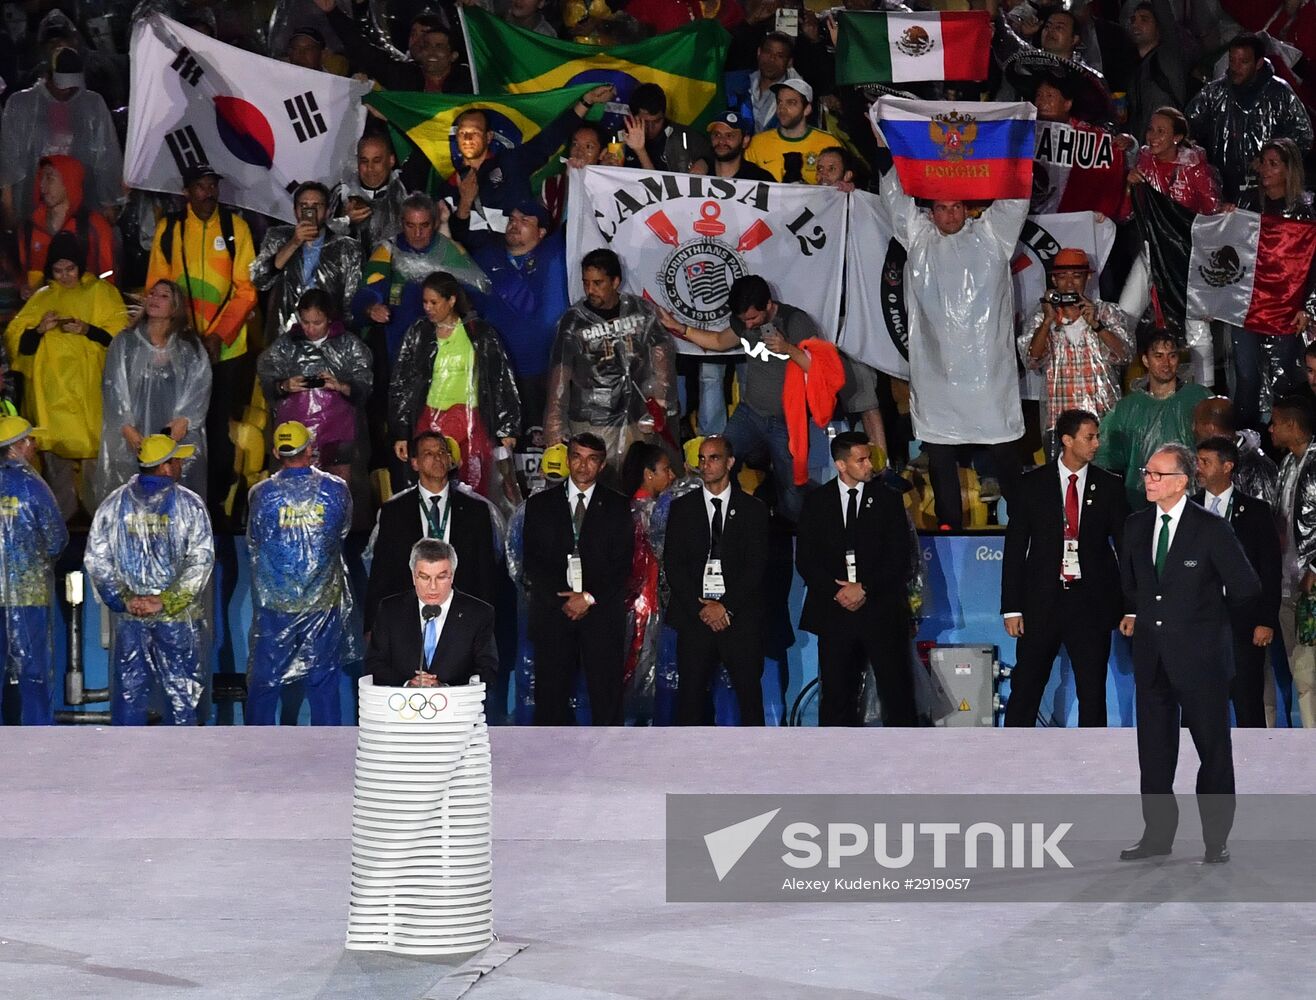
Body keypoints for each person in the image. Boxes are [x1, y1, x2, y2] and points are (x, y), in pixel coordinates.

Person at [875, 129, 1029, 529]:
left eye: (957, 208)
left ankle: (1028, 527)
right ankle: (948, 533)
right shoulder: (920, 239)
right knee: (941, 458)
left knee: (1006, 458)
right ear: (931, 212)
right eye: (941, 209)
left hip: (988, 375)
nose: (950, 215)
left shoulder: (993, 235)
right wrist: (885, 147)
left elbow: (1014, 198)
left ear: (967, 208)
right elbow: (895, 199)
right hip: (938, 376)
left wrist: (1015, 142)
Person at [1117, 443, 1261, 863]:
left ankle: (1216, 840)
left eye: (1157, 474)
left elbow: (1245, 587)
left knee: (1213, 752)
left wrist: (1206, 623)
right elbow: (1132, 583)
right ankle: (1157, 836)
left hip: (1202, 663)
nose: (1148, 479)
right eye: (1147, 472)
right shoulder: (1135, 526)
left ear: (1180, 482)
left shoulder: (1212, 529)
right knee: (1155, 755)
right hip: (1152, 658)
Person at [1001, 409, 1130, 727]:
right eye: (1090, 437)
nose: (1097, 443)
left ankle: (1093, 762)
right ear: (1067, 440)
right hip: (1041, 602)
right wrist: (1011, 608)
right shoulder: (1031, 485)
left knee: (1092, 691)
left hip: (1091, 603)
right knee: (1027, 685)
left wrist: (1131, 606)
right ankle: (1010, 756)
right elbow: (1015, 549)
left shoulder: (1110, 486)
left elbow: (1127, 549)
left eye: (1097, 436)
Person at [145, 163, 258, 519]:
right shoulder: (170, 230)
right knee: (178, 426)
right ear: (186, 192)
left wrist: (217, 336)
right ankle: (176, 499)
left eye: (213, 185)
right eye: (201, 187)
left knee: (218, 428)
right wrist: (173, 341)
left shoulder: (235, 228)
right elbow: (158, 291)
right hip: (180, 351)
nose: (209, 193)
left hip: (227, 351)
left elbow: (247, 290)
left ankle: (216, 506)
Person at [660, 275, 819, 523]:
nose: (749, 324)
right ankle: (728, 522)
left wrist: (788, 348)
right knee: (718, 462)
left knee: (792, 489)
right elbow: (718, 342)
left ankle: (793, 540)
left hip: (786, 421)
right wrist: (680, 328)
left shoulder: (795, 321)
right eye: (743, 320)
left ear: (768, 305)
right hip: (750, 413)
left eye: (753, 318)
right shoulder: (744, 322)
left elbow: (820, 369)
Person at [84, 434, 215, 726]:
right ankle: (185, 763)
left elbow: (97, 558)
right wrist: (165, 602)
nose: (181, 464)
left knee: (130, 694)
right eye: (176, 459)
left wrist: (124, 600)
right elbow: (201, 560)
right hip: (178, 619)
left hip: (131, 618)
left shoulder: (114, 503)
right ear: (165, 467)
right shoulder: (189, 504)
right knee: (183, 694)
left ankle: (127, 765)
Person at [4, 231, 129, 520]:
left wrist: (88, 330)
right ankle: (60, 523)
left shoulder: (101, 293)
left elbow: (121, 338)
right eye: (58, 270)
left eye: (70, 269)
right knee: (56, 464)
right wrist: (38, 330)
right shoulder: (42, 298)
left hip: (90, 395)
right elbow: (15, 341)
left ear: (80, 266)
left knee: (94, 462)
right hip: (52, 398)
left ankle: (102, 520)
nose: (64, 276)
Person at [796, 432, 916, 726]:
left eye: (868, 458)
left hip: (880, 609)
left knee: (897, 693)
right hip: (835, 612)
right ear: (840, 464)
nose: (868, 466)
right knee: (836, 695)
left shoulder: (888, 500)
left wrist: (865, 588)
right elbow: (807, 560)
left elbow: (900, 557)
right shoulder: (816, 502)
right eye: (860, 460)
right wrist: (839, 592)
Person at [246, 421, 357, 725]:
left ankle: (252, 747)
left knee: (266, 681)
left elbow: (255, 539)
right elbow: (341, 532)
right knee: (323, 681)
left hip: (276, 603)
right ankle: (328, 748)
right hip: (322, 601)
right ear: (310, 449)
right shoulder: (335, 490)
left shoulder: (262, 494)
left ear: (275, 452)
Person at [522, 432, 635, 724]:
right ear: (568, 459)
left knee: (606, 697)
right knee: (550, 698)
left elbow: (623, 564)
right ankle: (550, 765)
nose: (583, 466)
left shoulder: (619, 506)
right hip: (553, 613)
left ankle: (609, 763)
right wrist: (563, 599)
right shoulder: (540, 504)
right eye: (577, 457)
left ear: (602, 465)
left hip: (601, 615)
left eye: (592, 459)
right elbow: (533, 561)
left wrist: (587, 598)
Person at [544, 249, 678, 477]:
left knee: (633, 480)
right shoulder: (574, 320)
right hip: (591, 419)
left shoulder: (641, 311)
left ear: (615, 281)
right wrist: (555, 424)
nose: (590, 290)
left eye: (598, 283)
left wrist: (660, 401)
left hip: (636, 415)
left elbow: (661, 357)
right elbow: (560, 374)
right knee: (596, 482)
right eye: (586, 283)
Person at [389, 271, 521, 501]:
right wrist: (401, 432)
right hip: (430, 420)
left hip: (472, 422)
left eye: (434, 302)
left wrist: (507, 427)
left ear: (451, 301)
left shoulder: (479, 332)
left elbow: (500, 378)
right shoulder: (418, 333)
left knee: (475, 484)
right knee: (431, 484)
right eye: (424, 302)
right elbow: (402, 383)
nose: (428, 308)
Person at [664, 436, 768, 725]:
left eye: (714, 458)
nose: (706, 465)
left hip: (739, 618)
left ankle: (756, 762)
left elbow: (756, 567)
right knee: (692, 697)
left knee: (749, 695)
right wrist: (703, 609)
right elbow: (674, 564)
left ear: (730, 462)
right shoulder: (683, 508)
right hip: (696, 617)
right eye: (702, 459)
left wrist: (725, 607)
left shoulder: (753, 510)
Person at [449, 194, 568, 435]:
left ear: (542, 232)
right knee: (507, 447)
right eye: (512, 218)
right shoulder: (486, 258)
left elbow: (579, 218)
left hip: (550, 374)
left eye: (525, 219)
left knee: (548, 447)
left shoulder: (557, 255)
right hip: (500, 375)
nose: (515, 223)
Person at [1120, 106, 1221, 386]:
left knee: (1197, 326)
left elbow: (1211, 216)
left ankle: (1205, 395)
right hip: (1151, 253)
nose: (1152, 136)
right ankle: (1115, 385)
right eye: (1150, 129)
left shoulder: (1196, 169)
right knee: (1124, 316)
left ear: (1177, 138)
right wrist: (1129, 187)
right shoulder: (1142, 162)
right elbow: (1125, 214)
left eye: (1161, 131)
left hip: (1187, 259)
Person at [366, 431, 499, 632]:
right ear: (415, 463)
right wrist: (371, 627)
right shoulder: (394, 512)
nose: (437, 458)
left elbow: (486, 575)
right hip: (409, 621)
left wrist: (488, 628)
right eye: (428, 453)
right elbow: (381, 574)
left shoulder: (476, 511)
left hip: (462, 621)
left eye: (442, 452)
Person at [1229, 138, 1316, 431]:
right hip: (1248, 304)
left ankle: (1287, 439)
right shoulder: (1248, 204)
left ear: (1289, 169)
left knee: (1285, 375)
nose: (1264, 169)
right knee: (1246, 375)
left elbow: (1313, 265)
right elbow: (1231, 252)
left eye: (1273, 164)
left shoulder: (1307, 210)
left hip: (1288, 306)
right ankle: (1246, 441)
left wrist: (1308, 306)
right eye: (1262, 162)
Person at [97, 280, 212, 502]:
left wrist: (184, 421)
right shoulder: (124, 343)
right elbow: (113, 388)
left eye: (164, 296)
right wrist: (127, 428)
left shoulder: (190, 348)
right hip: (133, 438)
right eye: (152, 293)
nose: (155, 298)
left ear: (175, 306)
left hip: (176, 436)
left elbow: (200, 387)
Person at [440, 85, 615, 231]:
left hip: (524, 257)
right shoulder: (449, 186)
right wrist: (465, 203)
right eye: (463, 133)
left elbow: (550, 139)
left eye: (475, 133)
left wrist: (586, 101)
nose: (468, 139)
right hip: (478, 264)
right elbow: (448, 239)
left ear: (489, 136)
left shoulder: (512, 162)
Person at [1194, 435, 1280, 729]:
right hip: (1198, 623)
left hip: (1243, 624)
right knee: (1197, 704)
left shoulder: (1255, 512)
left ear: (1227, 466)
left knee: (1247, 702)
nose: (1199, 468)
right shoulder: (1187, 510)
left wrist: (1266, 620)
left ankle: (1254, 769)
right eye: (1197, 461)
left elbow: (1270, 571)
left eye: (1206, 462)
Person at [352, 192, 488, 365]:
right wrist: (371, 308)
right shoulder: (388, 251)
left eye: (424, 225)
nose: (417, 233)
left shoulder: (450, 251)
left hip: (444, 352)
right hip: (398, 349)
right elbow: (364, 294)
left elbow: (477, 296)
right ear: (402, 223)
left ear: (435, 223)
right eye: (410, 225)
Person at [256, 288, 373, 486]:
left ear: (329, 318)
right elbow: (267, 381)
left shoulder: (349, 345)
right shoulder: (285, 345)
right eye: (305, 322)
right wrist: (284, 385)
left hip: (339, 438)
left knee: (339, 490)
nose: (310, 329)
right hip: (295, 438)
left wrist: (340, 385)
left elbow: (364, 387)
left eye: (316, 323)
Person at [1018, 247, 1132, 447]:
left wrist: (1097, 325)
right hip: (1061, 423)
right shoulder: (1042, 317)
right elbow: (1031, 360)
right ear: (1054, 281)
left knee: (1104, 477)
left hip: (1103, 420)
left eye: (1076, 276)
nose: (1069, 283)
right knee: (1061, 478)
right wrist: (1047, 322)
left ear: (1087, 278)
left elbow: (1124, 355)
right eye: (1062, 277)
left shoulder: (1106, 312)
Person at [0, 46, 123, 228]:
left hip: (82, 205)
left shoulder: (92, 104)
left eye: (72, 87)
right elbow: (9, 160)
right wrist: (9, 207)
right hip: (32, 206)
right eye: (61, 86)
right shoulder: (21, 105)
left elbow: (106, 157)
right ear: (48, 76)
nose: (66, 92)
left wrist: (110, 203)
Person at [1186, 32, 1313, 201]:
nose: (1236, 67)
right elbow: (1187, 127)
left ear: (1259, 63)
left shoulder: (1280, 93)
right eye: (1232, 60)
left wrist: (1269, 160)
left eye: (1243, 62)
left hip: (1267, 193)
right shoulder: (1213, 93)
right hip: (1220, 190)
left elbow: (1303, 135)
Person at [0, 416, 69, 725]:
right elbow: (56, 539)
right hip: (28, 595)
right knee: (33, 672)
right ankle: (39, 739)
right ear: (15, 447)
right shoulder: (32, 485)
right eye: (30, 440)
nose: (34, 445)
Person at [1095, 330, 1212, 508]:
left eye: (1171, 356)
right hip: (1141, 503)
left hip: (1190, 502)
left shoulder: (1198, 398)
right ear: (1145, 360)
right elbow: (1108, 456)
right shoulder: (1127, 407)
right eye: (1158, 356)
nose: (1166, 363)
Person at [365, 538, 499, 690]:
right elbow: (374, 664)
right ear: (413, 576)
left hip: (457, 709)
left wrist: (444, 688)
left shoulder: (478, 613)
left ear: (452, 575)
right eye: (424, 577)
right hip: (401, 708)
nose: (433, 587)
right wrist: (408, 684)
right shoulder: (390, 609)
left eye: (441, 577)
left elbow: (487, 671)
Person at [250, 181, 361, 342]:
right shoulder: (278, 237)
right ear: (295, 211)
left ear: (327, 211)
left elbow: (351, 303)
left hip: (328, 339)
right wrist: (294, 242)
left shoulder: (347, 248)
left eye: (317, 205)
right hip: (284, 338)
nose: (310, 211)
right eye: (304, 205)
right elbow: (260, 280)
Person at [620, 440, 681, 723]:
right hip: (650, 603)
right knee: (645, 671)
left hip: (637, 603)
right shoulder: (654, 511)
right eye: (666, 470)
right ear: (648, 473)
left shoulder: (625, 508)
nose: (672, 477)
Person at [1269, 395, 1316, 727]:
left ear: (1291, 425)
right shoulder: (1286, 463)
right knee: (1301, 675)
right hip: (1286, 585)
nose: (1270, 428)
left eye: (1275, 422)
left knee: (1310, 674)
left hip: (1310, 586)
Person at [18, 155, 115, 294]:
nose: (42, 186)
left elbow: (108, 277)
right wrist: (23, 288)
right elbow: (22, 274)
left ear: (69, 180)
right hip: (41, 310)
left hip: (83, 310)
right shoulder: (28, 228)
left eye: (49, 178)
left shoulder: (95, 226)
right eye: (41, 178)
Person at [1192, 396, 1278, 508]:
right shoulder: (1201, 462)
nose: (1193, 429)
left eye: (1196, 423)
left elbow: (1264, 515)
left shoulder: (1257, 466)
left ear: (1210, 428)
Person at [744, 79, 836, 185]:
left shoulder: (828, 143)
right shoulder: (757, 143)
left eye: (791, 103)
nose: (782, 108)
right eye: (779, 102)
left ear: (807, 109)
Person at [328, 134, 408, 254]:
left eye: (377, 161)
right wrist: (345, 220)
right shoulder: (342, 193)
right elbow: (324, 244)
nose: (370, 168)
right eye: (364, 161)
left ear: (391, 160)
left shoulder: (405, 188)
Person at [1125, 2, 1188, 139]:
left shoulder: (1168, 56)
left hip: (1166, 149)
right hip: (1144, 151)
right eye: (1133, 20)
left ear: (1159, 27)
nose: (1136, 24)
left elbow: (1166, 16)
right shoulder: (1136, 69)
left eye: (1144, 19)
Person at [620, 83, 714, 174]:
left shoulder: (682, 136)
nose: (651, 128)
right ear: (632, 117)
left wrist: (705, 161)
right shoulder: (619, 136)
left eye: (657, 121)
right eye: (645, 122)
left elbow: (714, 154)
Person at [706, 111, 774, 182]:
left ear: (745, 141)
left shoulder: (760, 180)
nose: (721, 141)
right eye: (717, 135)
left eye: (729, 136)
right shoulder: (700, 176)